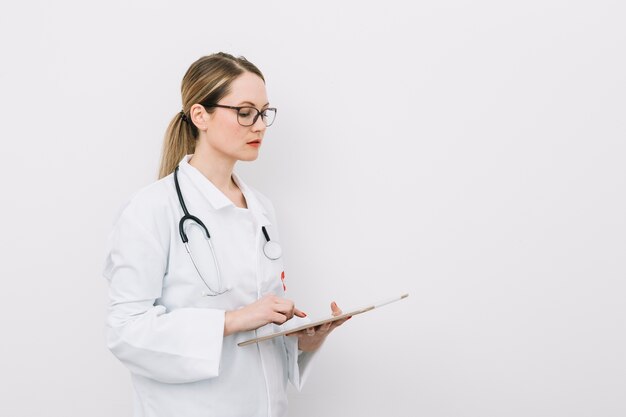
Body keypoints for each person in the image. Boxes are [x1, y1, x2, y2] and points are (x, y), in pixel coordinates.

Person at [102, 52, 349, 417]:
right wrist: (232, 320)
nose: (260, 125)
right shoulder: (152, 208)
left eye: (264, 113)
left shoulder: (261, 208)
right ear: (200, 115)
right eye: (245, 112)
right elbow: (125, 332)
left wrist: (303, 342)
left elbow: (260, 329)